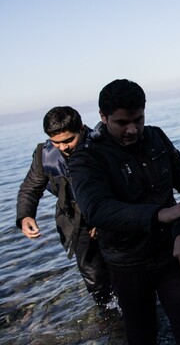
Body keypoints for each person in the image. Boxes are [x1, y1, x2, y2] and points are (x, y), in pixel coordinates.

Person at [69, 79, 180, 345]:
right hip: (127, 264)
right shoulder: (87, 157)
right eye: (122, 123)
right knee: (141, 335)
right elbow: (96, 209)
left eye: (138, 120)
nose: (133, 130)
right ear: (103, 116)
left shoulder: (155, 136)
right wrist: (159, 214)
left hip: (171, 254)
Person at [16, 106, 113, 307]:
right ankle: (108, 314)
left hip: (111, 215)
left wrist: (102, 220)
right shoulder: (44, 154)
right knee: (94, 276)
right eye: (56, 142)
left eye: (69, 140)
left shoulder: (104, 146)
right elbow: (30, 187)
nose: (63, 147)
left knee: (125, 267)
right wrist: (25, 216)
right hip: (74, 220)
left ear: (82, 128)